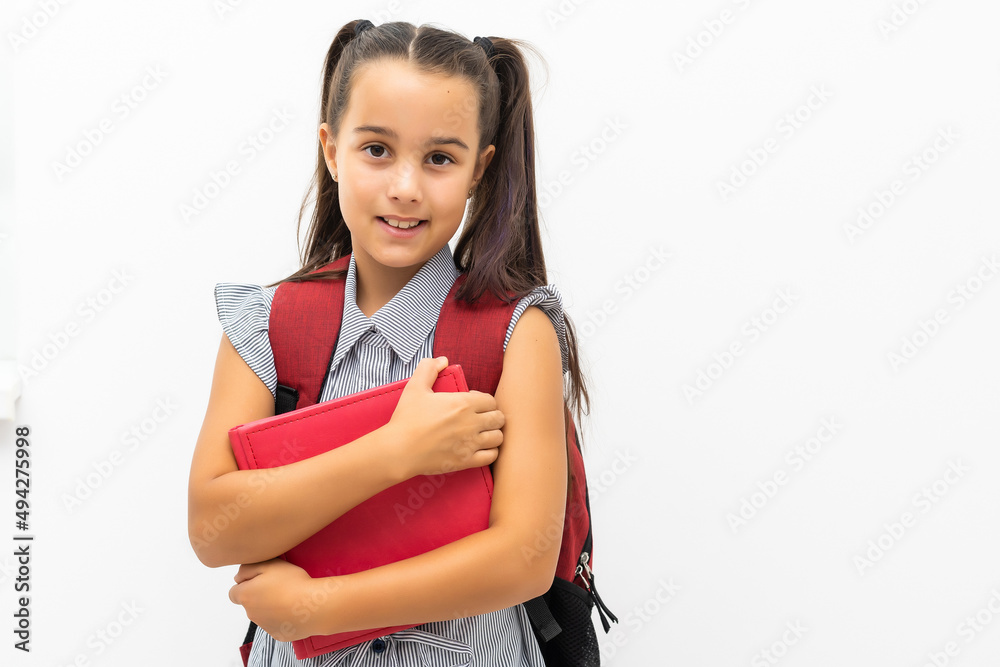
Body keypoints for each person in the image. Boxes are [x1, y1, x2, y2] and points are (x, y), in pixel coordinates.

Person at [188, 18, 591, 667]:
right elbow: (212, 528)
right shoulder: (267, 323)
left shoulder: (518, 330)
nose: (405, 186)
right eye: (377, 149)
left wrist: (319, 607)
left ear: (479, 169)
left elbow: (524, 557)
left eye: (439, 158)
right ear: (330, 148)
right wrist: (395, 451)